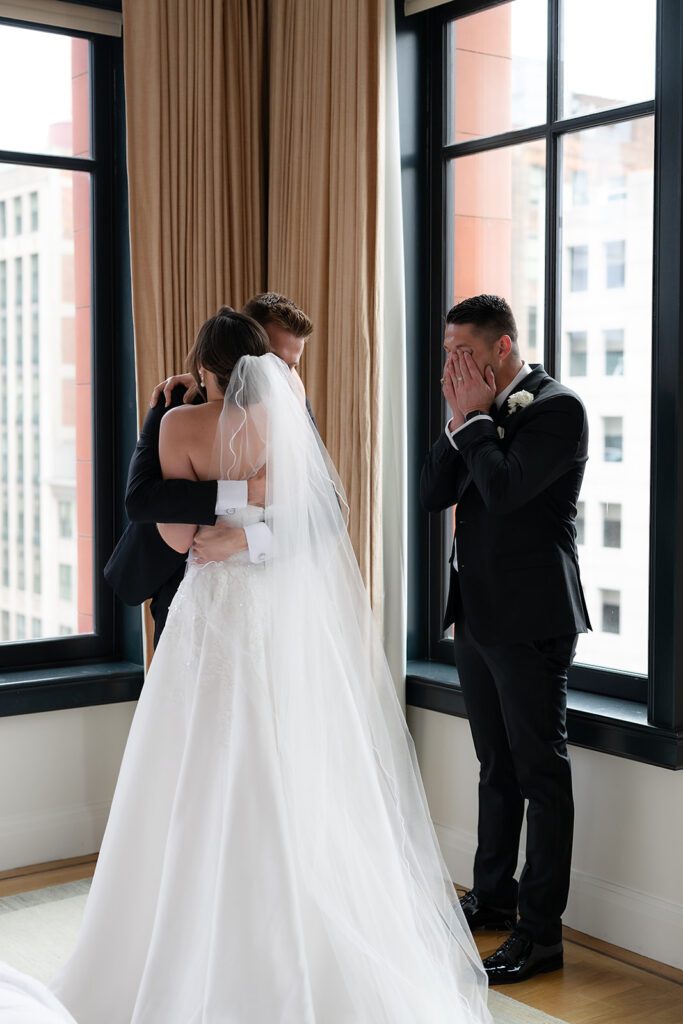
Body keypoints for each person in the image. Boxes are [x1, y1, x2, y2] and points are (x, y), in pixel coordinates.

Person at [47, 309, 492, 1023]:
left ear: (205, 368)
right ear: (261, 362)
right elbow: (301, 517)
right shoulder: (276, 427)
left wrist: (231, 540)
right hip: (256, 610)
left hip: (210, 607)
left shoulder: (175, 424)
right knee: (258, 754)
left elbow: (174, 516)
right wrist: (248, 513)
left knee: (200, 759)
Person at [420, 294, 591, 986]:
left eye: (461, 353)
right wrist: (462, 420)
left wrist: (474, 421)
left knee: (540, 775)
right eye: (445, 355)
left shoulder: (556, 408)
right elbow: (435, 492)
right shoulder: (476, 417)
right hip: (477, 617)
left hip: (533, 618)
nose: (451, 366)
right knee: (495, 767)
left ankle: (539, 934)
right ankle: (491, 896)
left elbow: (504, 491)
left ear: (500, 348)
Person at [104, 293, 315, 647]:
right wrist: (245, 492)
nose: (284, 376)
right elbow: (141, 499)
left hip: (262, 592)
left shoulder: (291, 409)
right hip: (177, 587)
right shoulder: (176, 401)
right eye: (276, 361)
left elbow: (327, 514)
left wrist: (245, 540)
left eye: (293, 366)